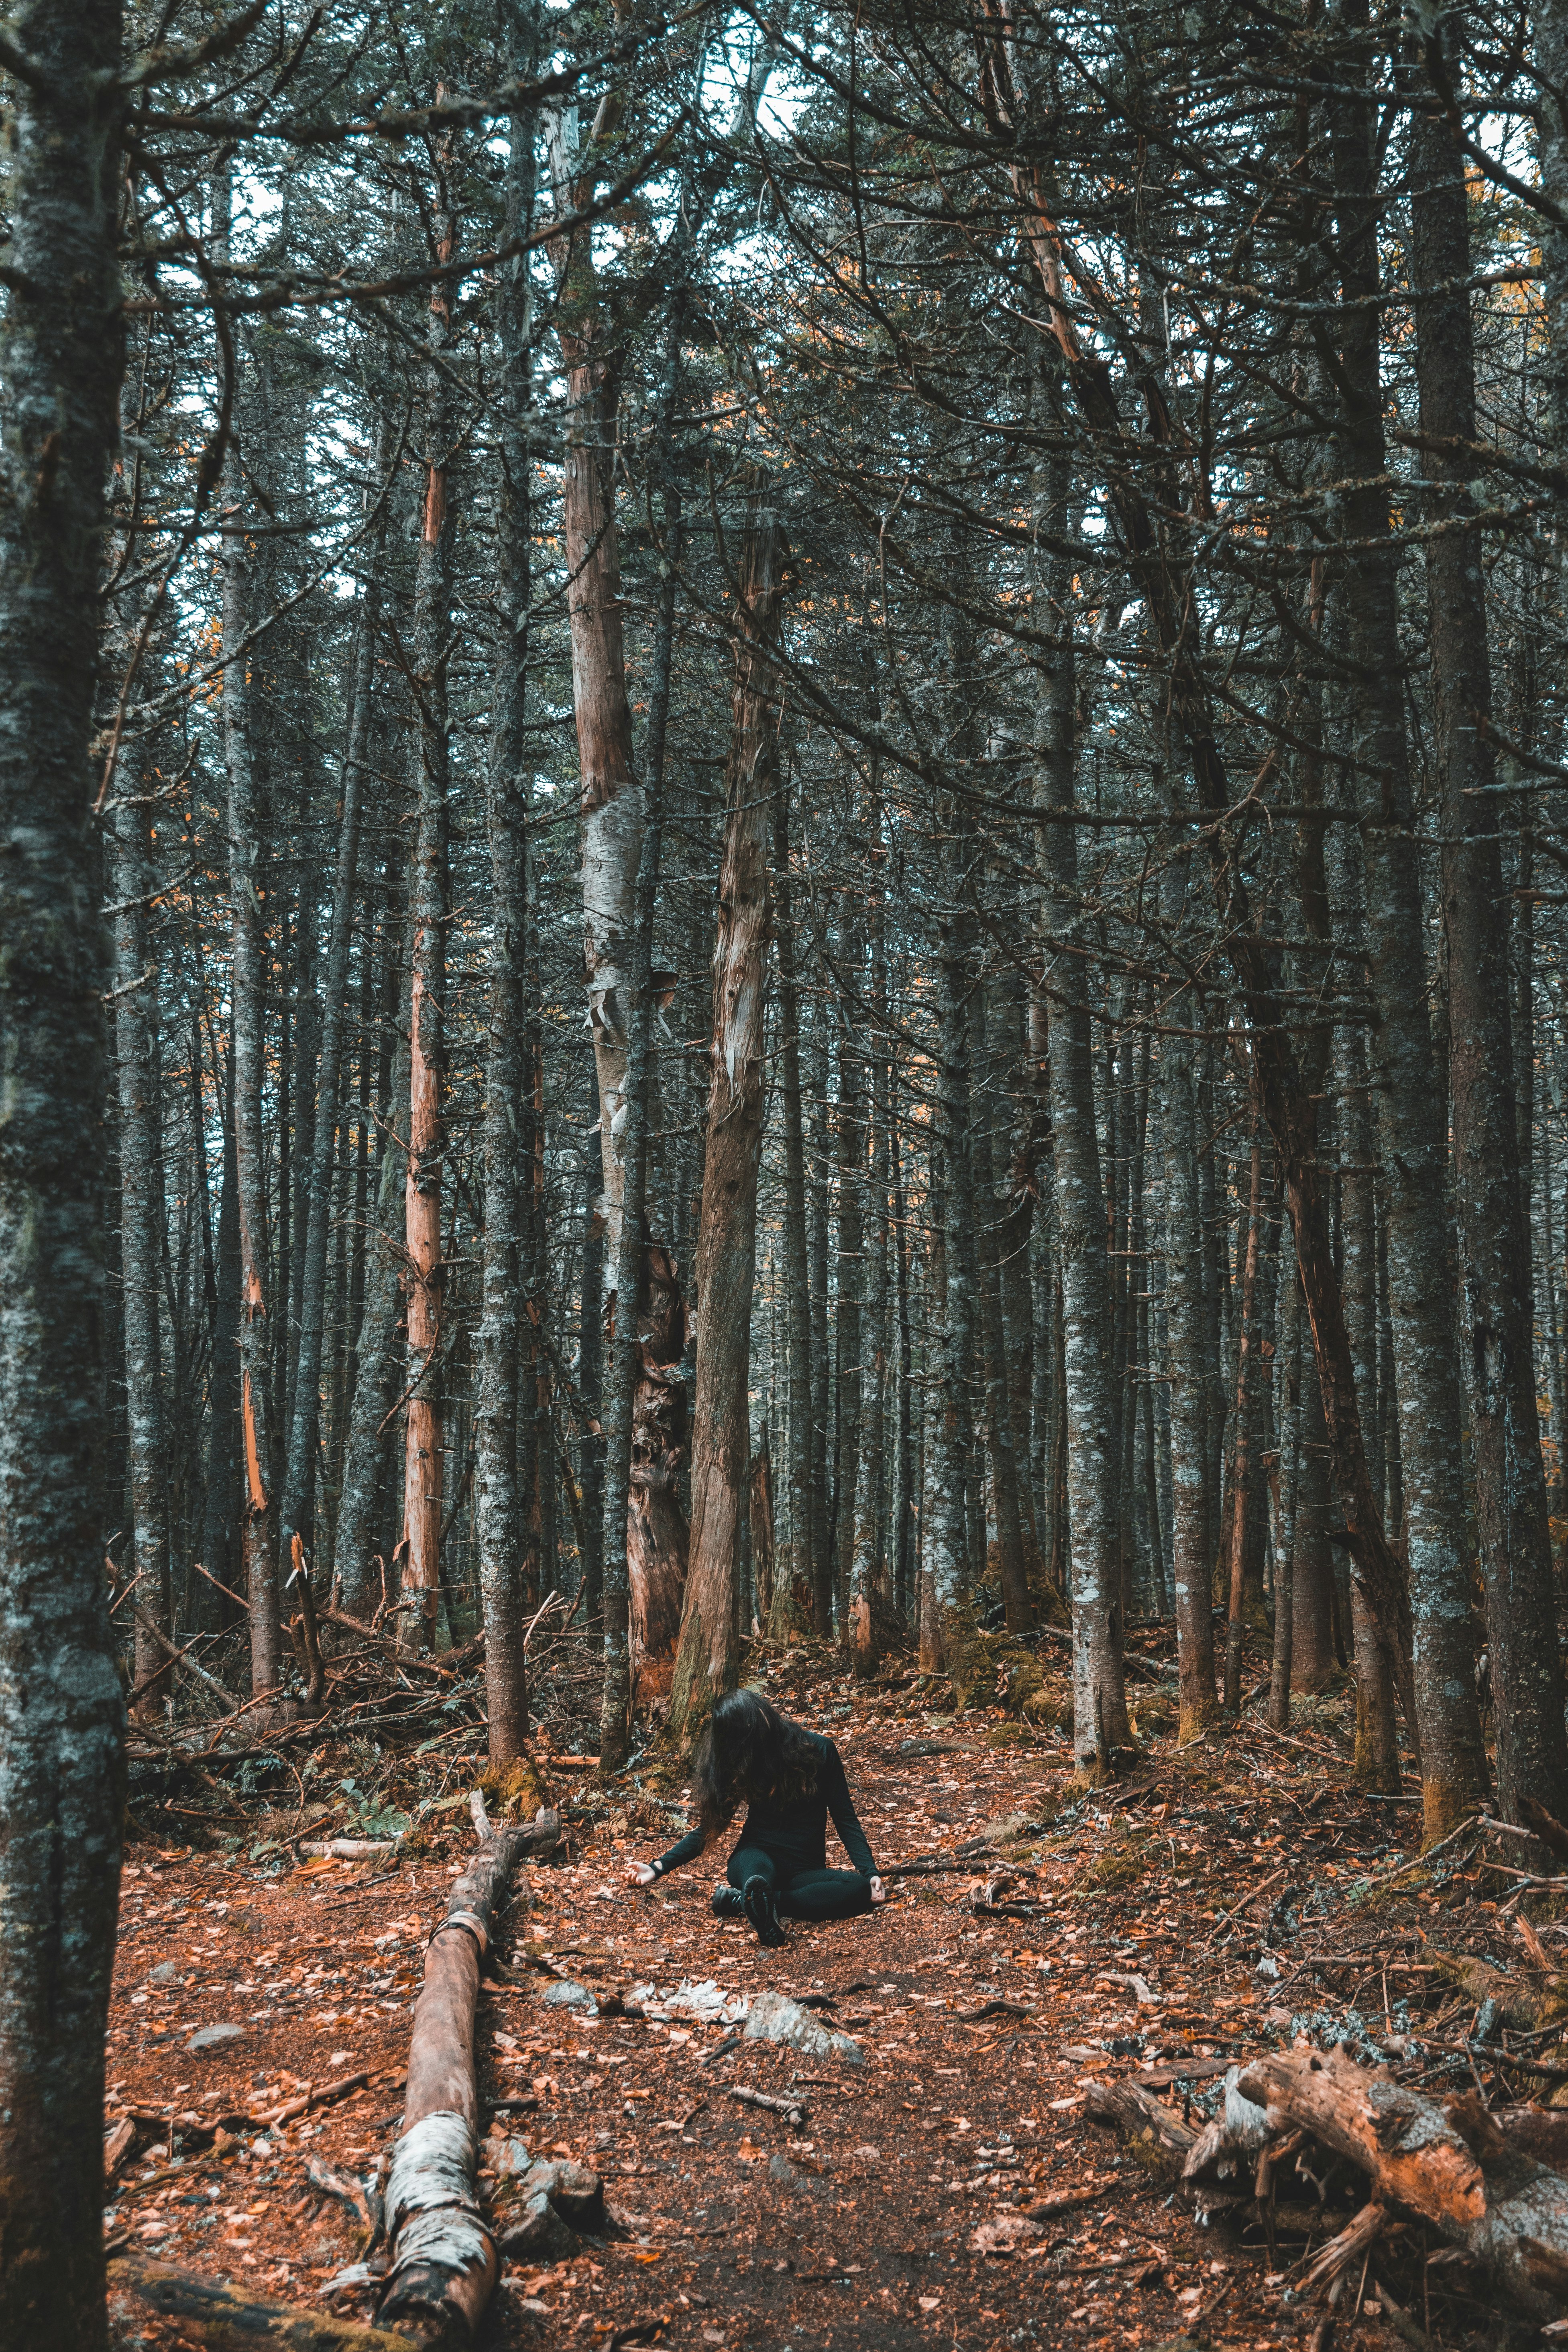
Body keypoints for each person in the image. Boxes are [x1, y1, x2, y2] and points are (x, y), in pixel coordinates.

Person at [623, 1688, 886, 1946]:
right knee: (756, 1876)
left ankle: (750, 1902)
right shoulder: (744, 1762)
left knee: (859, 1889)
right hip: (754, 1859)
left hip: (805, 1871)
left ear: (764, 1714)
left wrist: (870, 1872)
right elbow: (712, 1827)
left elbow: (846, 1819)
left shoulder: (821, 1749)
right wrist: (658, 1867)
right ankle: (756, 1897)